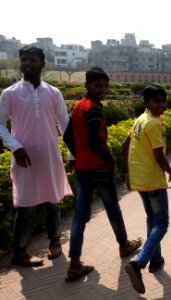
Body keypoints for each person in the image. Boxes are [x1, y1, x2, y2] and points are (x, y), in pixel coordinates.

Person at [65, 67, 142, 281]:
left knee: (80, 216)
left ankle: (74, 263)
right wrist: (110, 158)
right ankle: (124, 244)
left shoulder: (78, 106)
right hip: (99, 168)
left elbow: (67, 136)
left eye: (106, 86)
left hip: (83, 168)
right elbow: (93, 141)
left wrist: (78, 155)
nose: (103, 90)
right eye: (98, 85)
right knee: (112, 208)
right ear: (88, 85)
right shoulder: (94, 109)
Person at [0, 45, 72, 267]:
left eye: (32, 60)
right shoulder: (10, 93)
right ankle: (20, 252)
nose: (27, 63)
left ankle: (55, 242)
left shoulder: (53, 93)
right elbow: (0, 124)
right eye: (24, 60)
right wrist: (15, 146)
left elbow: (65, 124)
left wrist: (72, 154)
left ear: (42, 64)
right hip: (24, 159)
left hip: (49, 157)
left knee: (53, 201)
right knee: (26, 205)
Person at [122, 85, 171, 294]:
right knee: (162, 223)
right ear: (146, 104)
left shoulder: (141, 119)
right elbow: (159, 155)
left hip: (140, 181)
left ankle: (155, 259)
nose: (161, 105)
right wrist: (170, 171)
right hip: (153, 180)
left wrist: (128, 173)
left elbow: (125, 143)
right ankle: (140, 263)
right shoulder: (153, 122)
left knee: (152, 220)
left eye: (163, 101)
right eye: (156, 101)